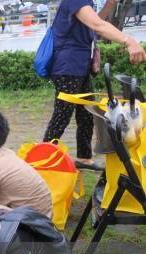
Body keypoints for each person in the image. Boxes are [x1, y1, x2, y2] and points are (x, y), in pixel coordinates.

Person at [43, 0, 146, 171]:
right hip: (68, 67)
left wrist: (109, 4)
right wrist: (129, 41)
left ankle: (84, 158)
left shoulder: (85, 2)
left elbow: (93, 23)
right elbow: (97, 25)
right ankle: (42, 157)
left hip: (81, 65)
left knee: (86, 114)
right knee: (62, 116)